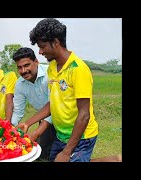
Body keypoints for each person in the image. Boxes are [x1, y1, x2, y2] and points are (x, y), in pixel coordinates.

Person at [18, 18, 99, 162]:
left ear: (56, 42)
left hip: (81, 138)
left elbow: (84, 114)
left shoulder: (78, 69)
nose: (40, 52)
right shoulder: (52, 68)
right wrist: (28, 123)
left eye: (42, 47)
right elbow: (53, 104)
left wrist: (67, 152)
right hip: (61, 135)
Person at [11, 47, 55, 161]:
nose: (23, 71)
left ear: (36, 61)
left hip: (62, 117)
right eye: (19, 67)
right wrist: (9, 128)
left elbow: (53, 106)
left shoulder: (50, 74)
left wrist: (36, 132)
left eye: (27, 65)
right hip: (44, 119)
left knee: (60, 155)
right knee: (41, 155)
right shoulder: (20, 84)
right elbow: (18, 111)